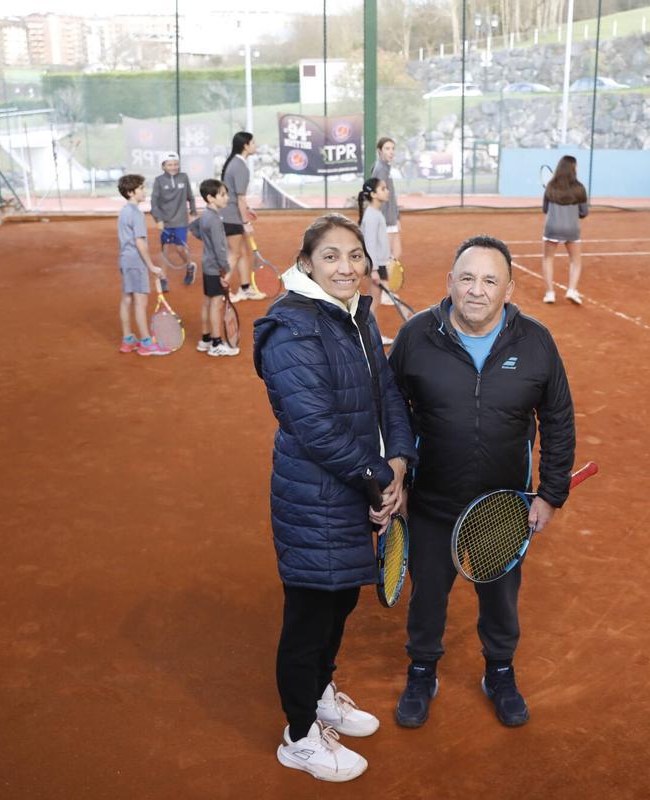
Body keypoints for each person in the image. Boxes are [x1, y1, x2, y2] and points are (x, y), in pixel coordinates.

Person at [388, 235, 576, 729]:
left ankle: (499, 672)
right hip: (431, 500)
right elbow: (391, 411)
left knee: (499, 598)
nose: (476, 290)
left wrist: (552, 493)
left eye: (490, 280)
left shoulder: (535, 342)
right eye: (466, 278)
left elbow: (558, 417)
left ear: (509, 289)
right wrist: (399, 471)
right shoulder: (415, 337)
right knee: (427, 596)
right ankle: (422, 670)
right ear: (449, 283)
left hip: (503, 506)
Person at [254, 214, 416, 782]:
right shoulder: (290, 328)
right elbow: (315, 427)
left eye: (355, 255)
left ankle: (321, 693)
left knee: (340, 601)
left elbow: (387, 393)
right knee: (309, 614)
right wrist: (379, 478)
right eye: (330, 256)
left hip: (357, 488)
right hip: (315, 496)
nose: (346, 266)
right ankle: (298, 735)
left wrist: (398, 462)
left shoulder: (355, 316)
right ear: (305, 264)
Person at [115, 174, 169, 357]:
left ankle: (128, 340)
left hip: (125, 260)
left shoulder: (124, 211)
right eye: (141, 188)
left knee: (127, 299)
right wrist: (152, 266)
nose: (144, 191)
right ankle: (146, 342)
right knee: (140, 302)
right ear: (131, 192)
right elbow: (140, 243)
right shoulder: (136, 213)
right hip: (136, 262)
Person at [188, 179, 238, 357]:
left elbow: (193, 227)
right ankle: (216, 343)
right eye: (222, 195)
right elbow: (220, 249)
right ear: (210, 198)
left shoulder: (206, 215)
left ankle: (206, 339)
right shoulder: (215, 219)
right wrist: (224, 270)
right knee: (216, 304)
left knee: (208, 301)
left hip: (207, 265)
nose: (227, 198)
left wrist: (206, 239)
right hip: (215, 267)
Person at [221, 131, 264, 303]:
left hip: (230, 214)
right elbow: (239, 197)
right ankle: (221, 289)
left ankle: (245, 288)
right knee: (235, 254)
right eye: (253, 143)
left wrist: (247, 209)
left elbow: (234, 195)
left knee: (243, 253)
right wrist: (245, 221)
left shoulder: (234, 163)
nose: (255, 145)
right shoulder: (240, 166)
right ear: (245, 145)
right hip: (232, 217)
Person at [541, 155, 589, 305]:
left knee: (548, 259)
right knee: (576, 261)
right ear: (573, 168)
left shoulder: (550, 187)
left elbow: (545, 209)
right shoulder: (579, 188)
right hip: (571, 230)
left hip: (552, 229)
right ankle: (572, 290)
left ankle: (550, 294)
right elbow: (584, 213)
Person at [151, 152, 198, 288]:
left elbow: (190, 197)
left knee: (179, 248)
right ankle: (163, 278)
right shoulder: (159, 180)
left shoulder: (184, 177)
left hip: (181, 220)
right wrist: (158, 219)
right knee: (165, 249)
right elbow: (154, 202)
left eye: (175, 164)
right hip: (165, 221)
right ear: (163, 166)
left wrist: (193, 212)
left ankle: (190, 266)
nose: (173, 167)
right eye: (169, 165)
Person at [357, 177, 395, 343]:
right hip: (375, 265)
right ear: (373, 194)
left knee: (375, 301)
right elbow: (369, 244)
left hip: (378, 263)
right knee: (373, 302)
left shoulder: (375, 213)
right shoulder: (372, 216)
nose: (387, 191)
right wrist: (373, 270)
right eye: (383, 189)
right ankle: (371, 337)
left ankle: (370, 335)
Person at [370, 137, 402, 263]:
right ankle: (381, 281)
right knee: (385, 256)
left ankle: (384, 278)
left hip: (391, 218)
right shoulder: (380, 170)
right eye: (387, 149)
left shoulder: (386, 168)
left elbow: (391, 197)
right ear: (379, 151)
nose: (391, 152)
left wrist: (396, 218)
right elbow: (378, 197)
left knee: (396, 252)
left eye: (393, 149)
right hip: (385, 220)